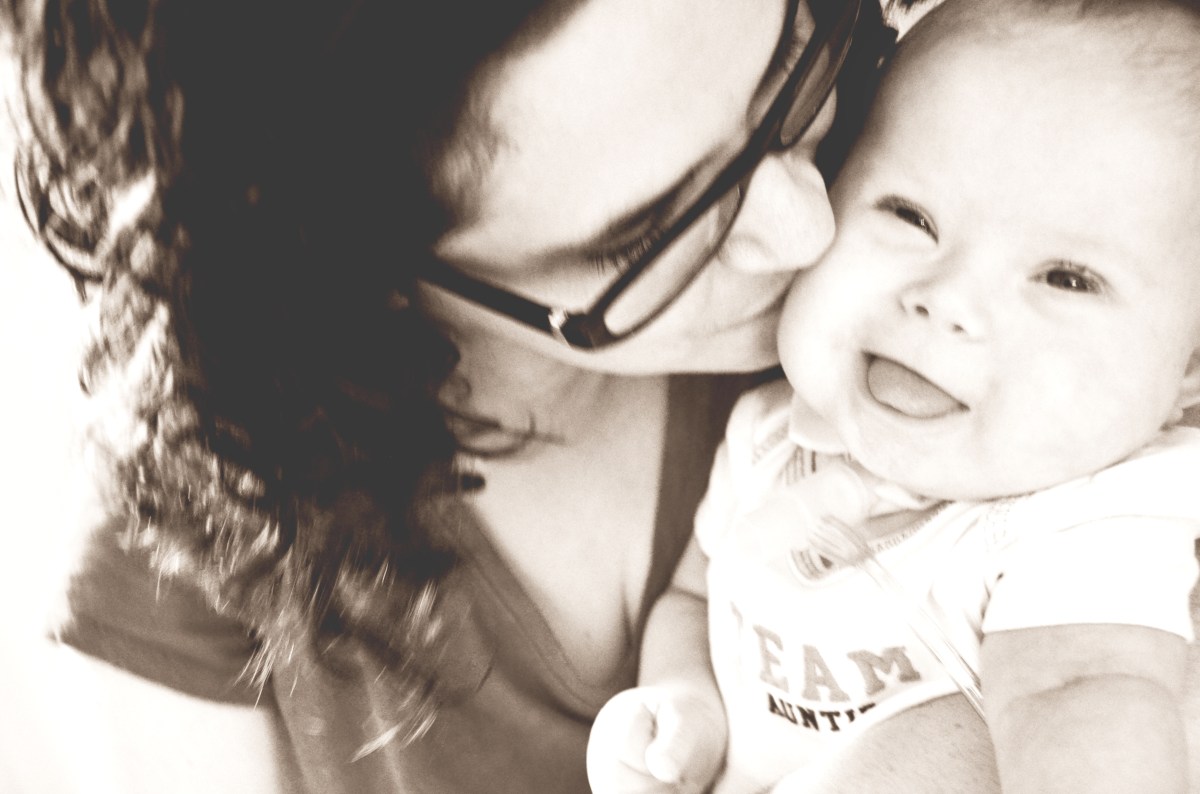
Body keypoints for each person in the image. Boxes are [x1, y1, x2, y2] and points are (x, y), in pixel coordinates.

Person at [2, 0, 945, 792]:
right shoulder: (195, 542)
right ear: (359, 275)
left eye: (789, 65)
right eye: (652, 231)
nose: (809, 229)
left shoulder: (961, 258)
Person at [586, 0, 1200, 791]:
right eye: (911, 216)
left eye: (1065, 278)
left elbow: (1082, 701)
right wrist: (685, 707)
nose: (946, 301)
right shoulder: (770, 433)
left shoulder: (1097, 516)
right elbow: (697, 597)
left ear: (1188, 371)